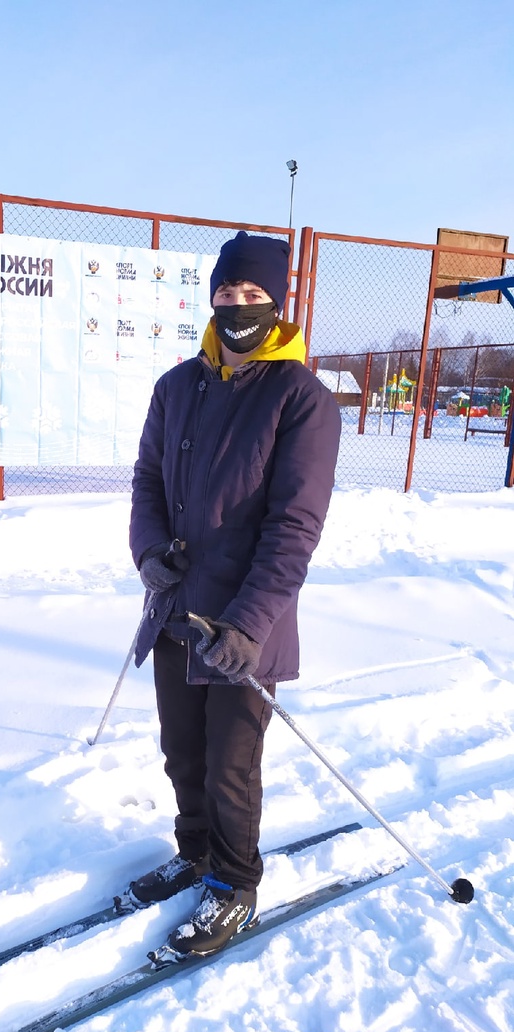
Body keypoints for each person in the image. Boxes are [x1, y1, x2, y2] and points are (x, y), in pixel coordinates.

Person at [127, 231, 341, 956]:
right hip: (176, 608)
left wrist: (248, 624)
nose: (238, 306)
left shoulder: (302, 398)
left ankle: (235, 885)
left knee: (230, 764)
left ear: (276, 303)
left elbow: (295, 525)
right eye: (226, 295)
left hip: (248, 624)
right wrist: (149, 552)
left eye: (252, 296)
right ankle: (196, 852)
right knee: (182, 750)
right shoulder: (175, 386)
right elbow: (147, 483)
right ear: (211, 299)